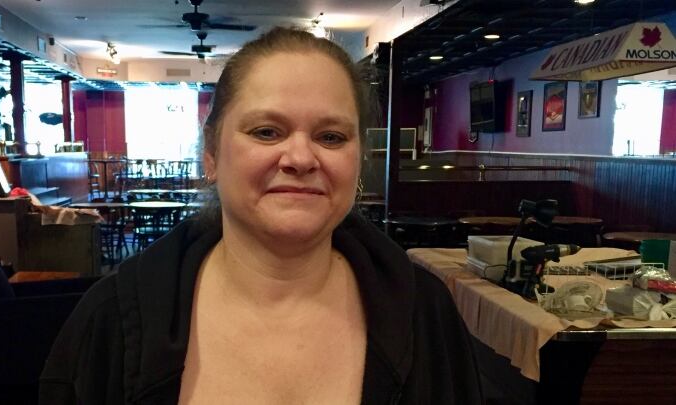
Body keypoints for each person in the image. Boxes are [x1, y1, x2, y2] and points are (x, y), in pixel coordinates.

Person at [39, 27, 482, 404]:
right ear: (211, 153)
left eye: (331, 136)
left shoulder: (425, 315)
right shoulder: (110, 322)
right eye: (266, 131)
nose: (301, 157)